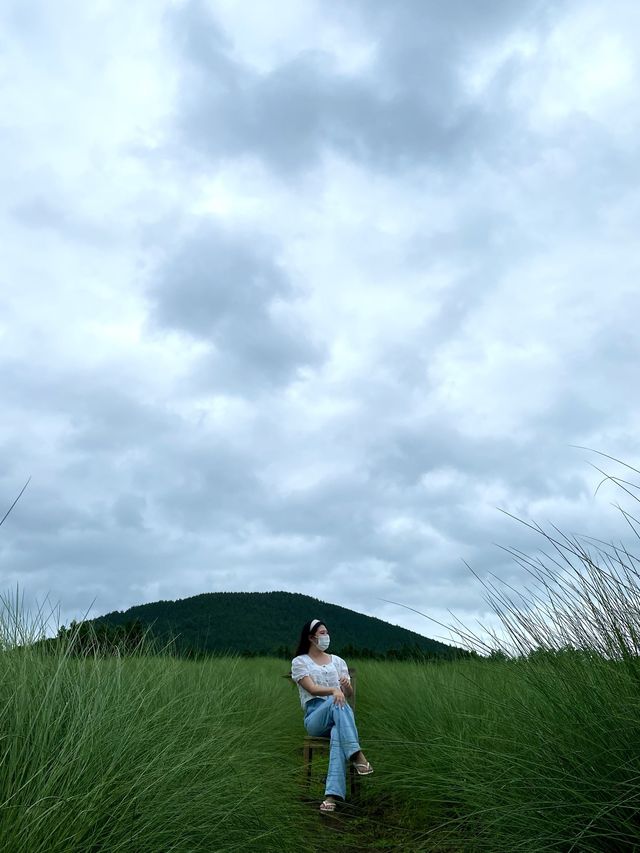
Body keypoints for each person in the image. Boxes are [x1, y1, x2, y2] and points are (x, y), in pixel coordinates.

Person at [291, 618, 374, 813]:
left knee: (338, 732)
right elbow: (311, 688)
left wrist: (345, 687)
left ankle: (331, 796)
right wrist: (334, 691)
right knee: (336, 701)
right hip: (315, 717)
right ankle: (357, 754)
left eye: (327, 632)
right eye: (322, 633)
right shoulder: (300, 661)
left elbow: (348, 693)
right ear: (311, 638)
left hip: (339, 713)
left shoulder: (338, 661)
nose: (326, 636)